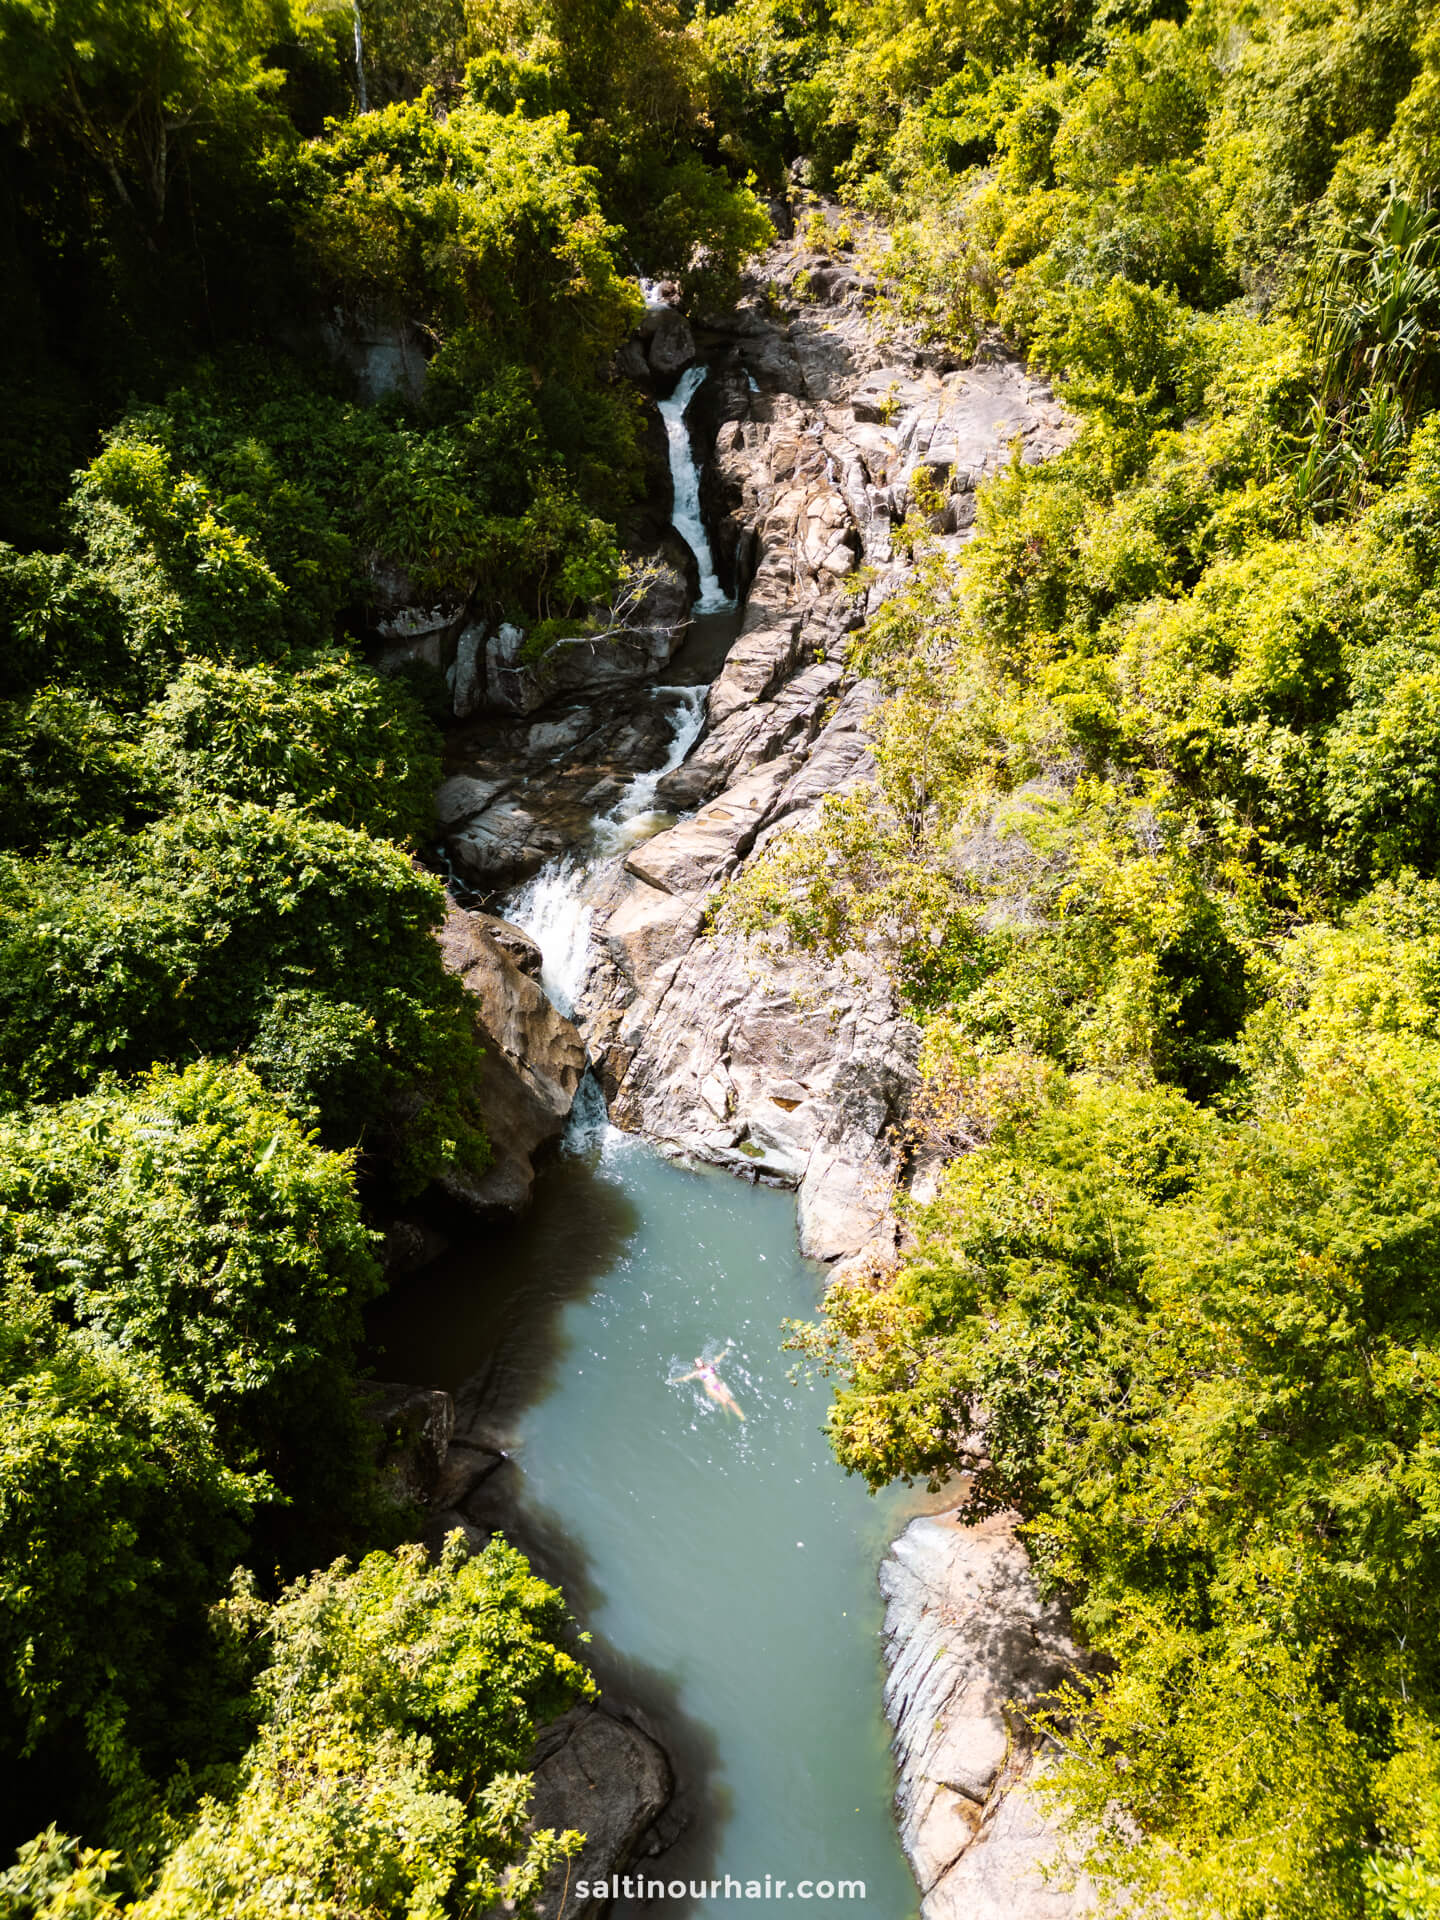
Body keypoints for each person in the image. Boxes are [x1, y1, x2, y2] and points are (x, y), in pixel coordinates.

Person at [670, 1350, 745, 1420]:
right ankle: (728, 1417)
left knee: (729, 1400)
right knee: (723, 1402)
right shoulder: (697, 1373)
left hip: (717, 1384)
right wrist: (673, 1381)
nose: (699, 1363)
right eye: (697, 1362)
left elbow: (717, 1359)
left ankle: (740, 1415)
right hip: (710, 1388)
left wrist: (724, 1352)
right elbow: (685, 1378)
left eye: (699, 1361)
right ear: (696, 1365)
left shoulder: (709, 1366)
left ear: (702, 1361)